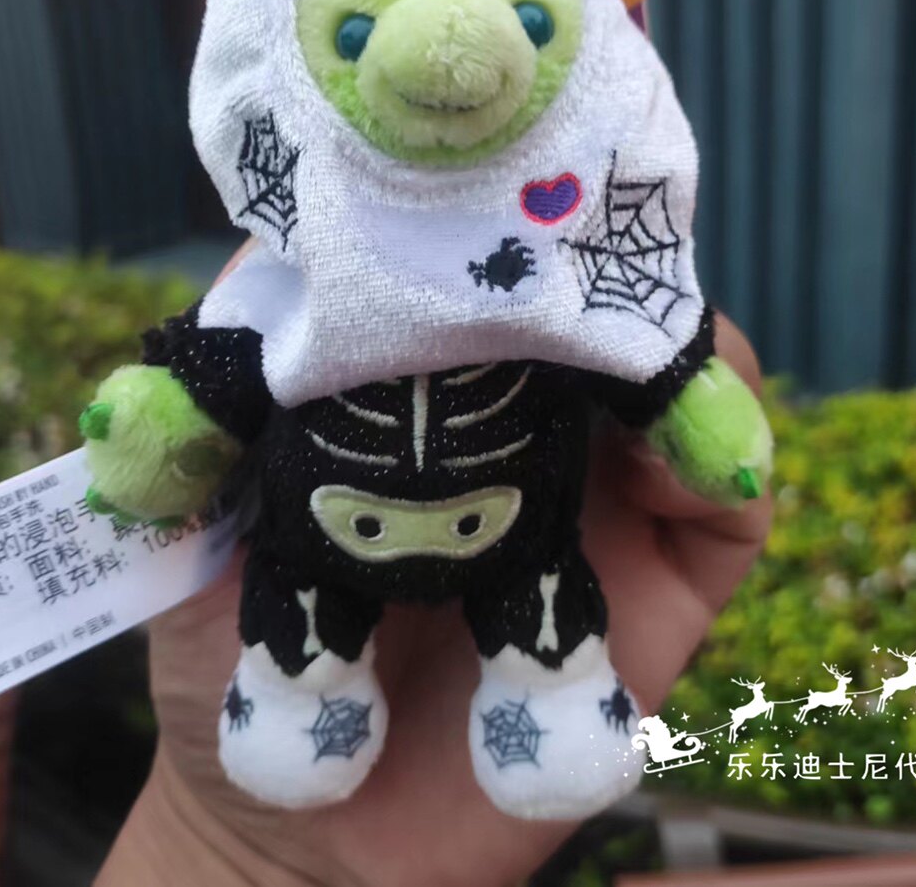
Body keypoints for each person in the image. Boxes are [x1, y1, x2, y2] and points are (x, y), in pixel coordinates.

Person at [96, 244, 771, 886]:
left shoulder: (551, 257)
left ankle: (551, 688)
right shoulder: (301, 243)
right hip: (316, 553)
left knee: (534, 597)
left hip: (519, 542)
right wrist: (228, 847)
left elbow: (635, 334)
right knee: (304, 613)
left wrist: (688, 403)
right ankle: (298, 691)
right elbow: (227, 344)